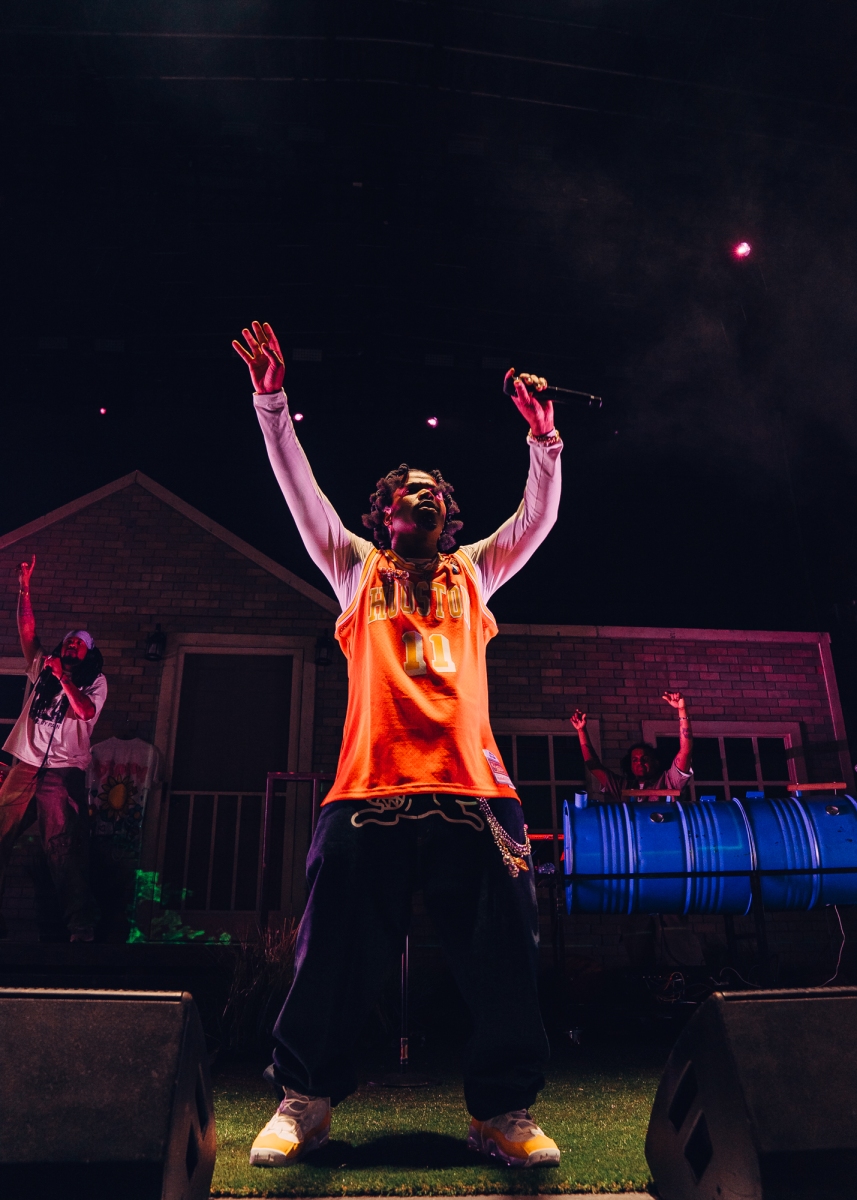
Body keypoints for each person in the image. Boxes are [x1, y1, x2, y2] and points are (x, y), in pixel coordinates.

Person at [234, 321, 562, 1169]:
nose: (421, 498)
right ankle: (305, 1102)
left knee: (502, 957)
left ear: (447, 516)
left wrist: (543, 441)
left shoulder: (474, 572)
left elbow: (536, 518)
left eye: (432, 493)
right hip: (368, 791)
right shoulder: (355, 568)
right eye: (406, 492)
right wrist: (272, 402)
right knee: (333, 954)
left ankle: (502, 1112)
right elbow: (299, 490)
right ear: (383, 514)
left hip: (475, 793)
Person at [0, 555, 107, 941]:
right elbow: (27, 631)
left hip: (62, 772)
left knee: (62, 846)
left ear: (88, 653)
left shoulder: (95, 681)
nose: (72, 645)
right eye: (69, 641)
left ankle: (80, 925)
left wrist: (64, 680)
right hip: (26, 764)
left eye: (80, 644)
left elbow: (85, 711)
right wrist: (25, 588)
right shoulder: (43, 668)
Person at [570, 692, 694, 801]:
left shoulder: (669, 781)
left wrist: (682, 710)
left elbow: (685, 751)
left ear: (656, 762)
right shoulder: (623, 787)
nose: (639, 763)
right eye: (635, 760)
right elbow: (594, 766)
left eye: (645, 759)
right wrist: (581, 730)